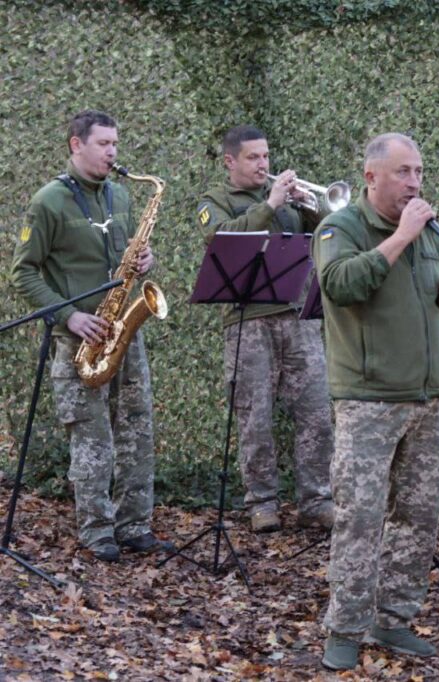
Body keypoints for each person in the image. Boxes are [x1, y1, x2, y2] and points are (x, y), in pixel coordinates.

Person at [312, 133, 439, 671]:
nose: (415, 182)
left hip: (428, 398)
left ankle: (393, 620)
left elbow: (425, 304)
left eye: (419, 171)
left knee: (418, 516)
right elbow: (340, 285)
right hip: (369, 401)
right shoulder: (341, 228)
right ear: (371, 176)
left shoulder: (428, 235)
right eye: (403, 172)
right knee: (360, 516)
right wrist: (400, 236)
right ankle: (345, 629)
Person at [12, 110, 170, 562]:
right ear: (76, 145)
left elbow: (124, 254)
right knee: (91, 437)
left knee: (137, 430)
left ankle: (135, 525)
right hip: (81, 336)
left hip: (123, 328)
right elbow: (22, 273)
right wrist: (69, 316)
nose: (113, 153)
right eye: (104, 144)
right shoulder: (48, 202)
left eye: (115, 144)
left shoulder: (120, 194)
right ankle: (97, 530)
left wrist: (144, 262)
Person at [196, 125, 334, 533]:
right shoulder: (215, 202)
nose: (264, 164)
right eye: (254, 157)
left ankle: (317, 499)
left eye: (266, 157)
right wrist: (270, 205)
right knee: (253, 417)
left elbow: (326, 234)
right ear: (230, 161)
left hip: (297, 316)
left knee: (316, 412)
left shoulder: (287, 203)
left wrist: (309, 208)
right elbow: (221, 239)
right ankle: (262, 502)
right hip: (247, 322)